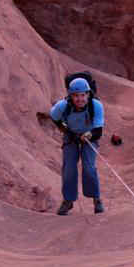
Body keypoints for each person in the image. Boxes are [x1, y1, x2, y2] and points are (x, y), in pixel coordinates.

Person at [50, 78, 105, 215]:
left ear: (88, 94)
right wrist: (67, 132)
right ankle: (68, 200)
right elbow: (55, 118)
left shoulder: (96, 105)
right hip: (71, 136)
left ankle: (96, 198)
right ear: (70, 96)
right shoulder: (62, 106)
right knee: (69, 167)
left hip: (89, 136)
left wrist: (88, 135)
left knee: (89, 167)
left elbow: (98, 131)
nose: (79, 99)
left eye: (82, 95)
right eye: (76, 95)